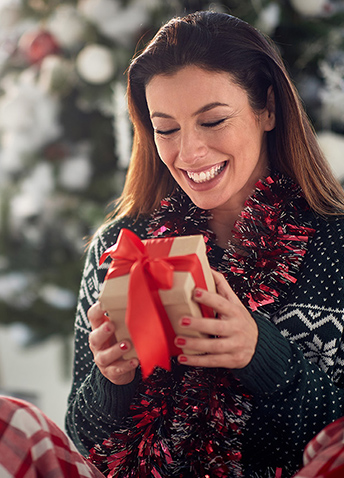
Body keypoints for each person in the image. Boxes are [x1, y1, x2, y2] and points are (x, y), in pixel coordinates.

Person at [1, 9, 342, 478]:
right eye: (166, 129)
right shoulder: (117, 250)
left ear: (267, 107)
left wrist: (261, 355)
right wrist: (112, 382)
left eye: (213, 120)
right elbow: (81, 447)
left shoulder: (336, 246)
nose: (189, 153)